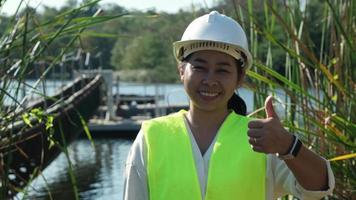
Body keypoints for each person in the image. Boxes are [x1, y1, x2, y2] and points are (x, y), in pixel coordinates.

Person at [123, 11, 335, 200]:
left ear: (239, 78)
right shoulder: (152, 136)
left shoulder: (263, 138)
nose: (210, 79)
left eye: (222, 70)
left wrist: (289, 146)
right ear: (181, 70)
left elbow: (319, 187)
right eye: (200, 67)